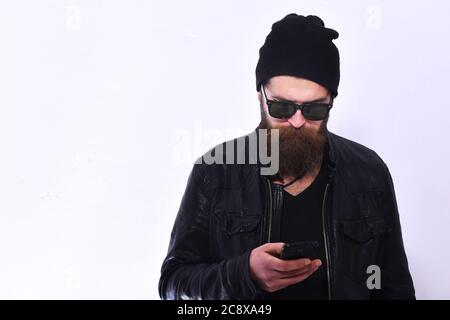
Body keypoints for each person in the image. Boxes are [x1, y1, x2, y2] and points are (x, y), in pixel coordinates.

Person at [158, 13, 415, 300]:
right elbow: (173, 286)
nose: (296, 121)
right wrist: (244, 274)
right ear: (260, 96)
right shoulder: (216, 170)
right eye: (281, 108)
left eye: (314, 110)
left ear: (331, 102)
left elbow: (395, 289)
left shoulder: (368, 173)